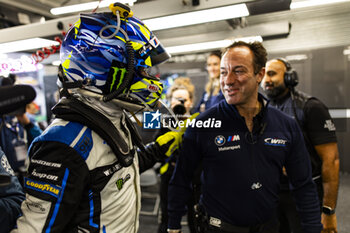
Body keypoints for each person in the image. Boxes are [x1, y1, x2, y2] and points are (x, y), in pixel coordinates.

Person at [11, 3, 179, 233]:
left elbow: (113, 176)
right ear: (104, 69)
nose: (148, 78)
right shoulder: (64, 142)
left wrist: (157, 150)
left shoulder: (111, 117)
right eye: (140, 71)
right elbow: (34, 228)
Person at [167, 41, 322, 233]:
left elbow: (304, 186)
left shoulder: (285, 126)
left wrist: (313, 228)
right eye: (223, 72)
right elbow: (181, 180)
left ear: (259, 75)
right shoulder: (202, 125)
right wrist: (173, 227)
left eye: (238, 71)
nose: (228, 80)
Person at [261, 58, 339, 233]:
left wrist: (328, 210)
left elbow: (331, 161)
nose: (266, 79)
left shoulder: (311, 107)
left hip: (305, 193)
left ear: (289, 77)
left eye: (272, 74)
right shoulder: (263, 110)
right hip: (273, 194)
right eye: (264, 74)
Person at [158, 77, 197, 233]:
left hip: (193, 179)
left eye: (184, 100)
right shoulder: (165, 122)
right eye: (176, 100)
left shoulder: (198, 122)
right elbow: (157, 151)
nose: (180, 103)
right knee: (167, 220)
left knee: (196, 219)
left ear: (190, 102)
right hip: (169, 177)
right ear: (170, 102)